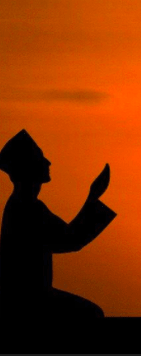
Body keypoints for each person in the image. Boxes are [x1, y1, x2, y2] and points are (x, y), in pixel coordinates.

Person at [0, 129, 116, 318]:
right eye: (40, 158)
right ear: (28, 167)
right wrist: (93, 197)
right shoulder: (27, 208)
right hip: (27, 300)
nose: (48, 162)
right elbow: (71, 240)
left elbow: (69, 237)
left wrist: (93, 198)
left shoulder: (26, 205)